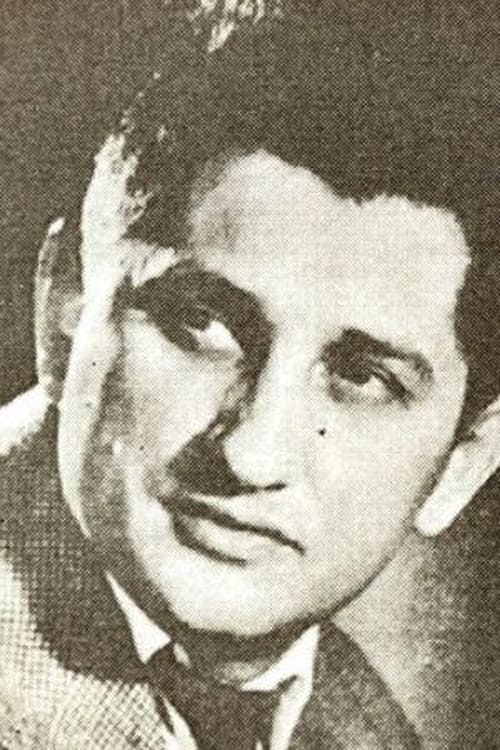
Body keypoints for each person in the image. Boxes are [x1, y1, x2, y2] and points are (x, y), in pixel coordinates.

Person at [1, 4, 499, 748]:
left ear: (461, 466)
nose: (251, 455)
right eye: (202, 325)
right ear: (62, 313)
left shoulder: (359, 727)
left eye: (362, 377)